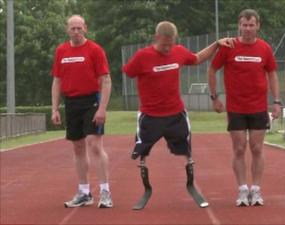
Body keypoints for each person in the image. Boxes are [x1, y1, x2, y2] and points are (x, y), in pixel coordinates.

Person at [122, 21, 232, 168]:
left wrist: (217, 44)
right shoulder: (142, 56)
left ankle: (189, 168)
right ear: (156, 37)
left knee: (184, 144)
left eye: (170, 44)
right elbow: (128, 72)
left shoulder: (179, 51)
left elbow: (198, 58)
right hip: (150, 113)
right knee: (141, 147)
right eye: (164, 45)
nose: (167, 49)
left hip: (175, 112)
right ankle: (143, 165)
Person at [208, 9, 281, 207]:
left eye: (251, 25)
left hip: (258, 107)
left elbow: (273, 73)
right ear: (239, 26)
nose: (248, 29)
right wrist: (214, 97)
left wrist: (276, 101)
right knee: (239, 148)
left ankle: (256, 190)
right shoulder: (228, 46)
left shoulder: (264, 48)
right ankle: (242, 189)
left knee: (257, 148)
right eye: (244, 25)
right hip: (236, 107)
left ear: (258, 26)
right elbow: (212, 69)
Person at [51, 15, 113, 208]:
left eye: (79, 28)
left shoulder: (95, 50)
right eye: (73, 28)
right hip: (71, 103)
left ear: (85, 28)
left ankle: (105, 192)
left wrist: (102, 108)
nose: (76, 31)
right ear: (67, 29)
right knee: (78, 147)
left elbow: (106, 80)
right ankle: (84, 193)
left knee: (94, 144)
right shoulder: (61, 51)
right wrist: (54, 108)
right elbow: (57, 81)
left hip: (91, 101)